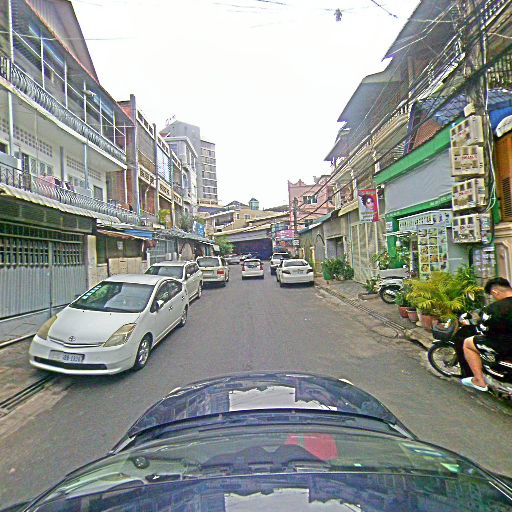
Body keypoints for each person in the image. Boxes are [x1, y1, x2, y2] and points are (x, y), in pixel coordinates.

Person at [462, 277, 512, 391]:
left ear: (495, 292)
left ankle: (479, 381)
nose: (493, 298)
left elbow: (484, 330)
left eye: (492, 295)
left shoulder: (494, 308)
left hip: (505, 347)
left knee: (468, 343)